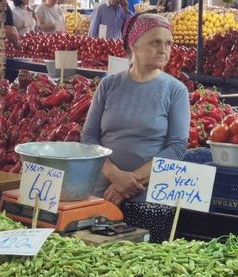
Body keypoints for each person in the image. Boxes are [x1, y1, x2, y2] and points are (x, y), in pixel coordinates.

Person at [81, 13, 190, 243]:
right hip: (103, 194)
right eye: (155, 42)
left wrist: (128, 183)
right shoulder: (109, 85)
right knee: (98, 268)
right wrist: (113, 174)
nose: (164, 49)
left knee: (143, 270)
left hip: (149, 199)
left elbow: (177, 148)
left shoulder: (175, 91)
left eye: (168, 43)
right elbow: (89, 137)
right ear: (134, 45)